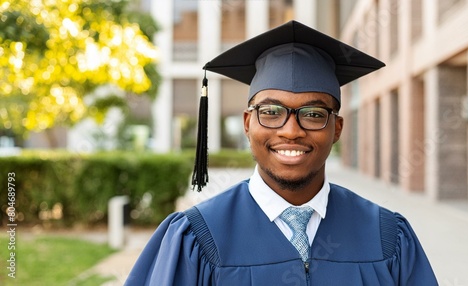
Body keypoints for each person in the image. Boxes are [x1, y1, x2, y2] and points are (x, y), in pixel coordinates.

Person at [125, 20, 437, 285]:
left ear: (337, 128)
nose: (291, 131)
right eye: (271, 111)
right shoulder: (197, 237)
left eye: (313, 114)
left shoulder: (386, 237)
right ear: (248, 123)